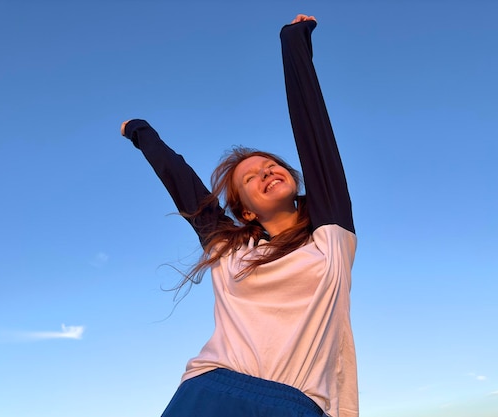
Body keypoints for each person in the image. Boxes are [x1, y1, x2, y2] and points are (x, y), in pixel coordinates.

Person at [120, 14, 358, 417]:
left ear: (297, 181)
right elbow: (182, 183)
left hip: (294, 402)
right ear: (245, 209)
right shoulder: (229, 247)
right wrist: (141, 133)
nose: (265, 172)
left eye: (271, 166)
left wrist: (294, 44)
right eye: (251, 177)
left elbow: (314, 133)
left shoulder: (330, 235)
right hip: (210, 391)